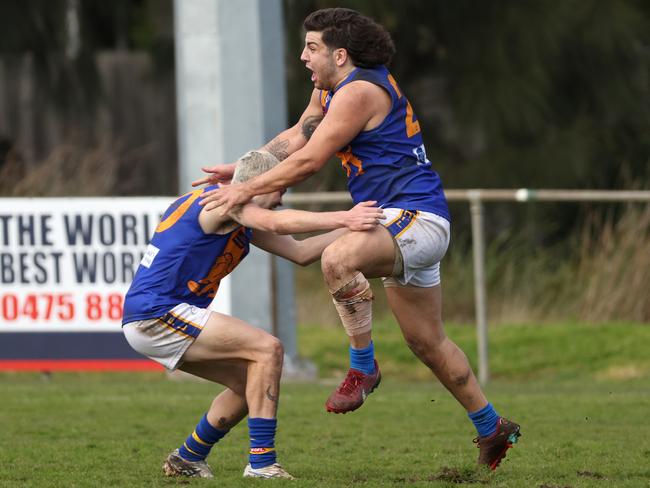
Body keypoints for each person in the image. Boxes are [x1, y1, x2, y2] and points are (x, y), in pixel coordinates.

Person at [193, 7, 521, 470]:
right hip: (390, 222)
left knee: (338, 258)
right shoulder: (332, 89)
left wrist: (243, 191)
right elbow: (299, 136)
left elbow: (309, 164)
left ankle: (362, 366)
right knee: (427, 342)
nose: (303, 56)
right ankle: (492, 426)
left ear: (340, 54)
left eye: (312, 48)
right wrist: (245, 167)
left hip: (413, 218)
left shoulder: (359, 92)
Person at [121, 150, 383, 480]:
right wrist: (345, 217)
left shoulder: (240, 213)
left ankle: (188, 457)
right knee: (267, 349)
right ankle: (261, 464)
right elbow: (274, 221)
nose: (283, 192)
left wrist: (367, 224)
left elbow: (301, 253)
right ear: (257, 185)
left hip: (156, 316)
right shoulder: (220, 203)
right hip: (157, 313)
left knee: (252, 384)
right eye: (280, 184)